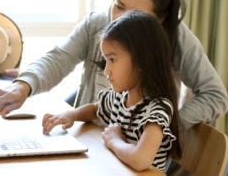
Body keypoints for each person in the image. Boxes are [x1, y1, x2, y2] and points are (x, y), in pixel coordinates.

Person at [0, 0, 228, 129]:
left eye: (134, 15)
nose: (118, 21)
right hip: (90, 137)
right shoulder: (97, 23)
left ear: (160, 20)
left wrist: (168, 124)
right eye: (118, 6)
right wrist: (23, 86)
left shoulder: (178, 39)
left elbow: (216, 96)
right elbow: (61, 57)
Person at [42, 11, 182, 172]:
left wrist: (114, 140)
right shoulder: (120, 98)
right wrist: (70, 115)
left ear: (143, 60)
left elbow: (141, 160)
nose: (106, 70)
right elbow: (96, 109)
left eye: (113, 60)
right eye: (105, 60)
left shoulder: (157, 109)